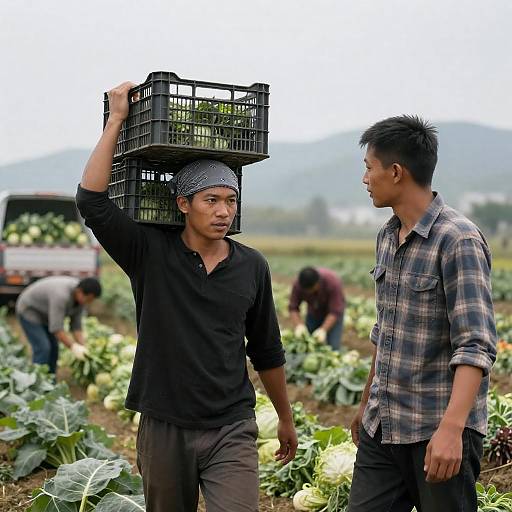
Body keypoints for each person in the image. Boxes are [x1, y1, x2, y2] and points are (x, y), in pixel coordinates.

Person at [75, 81, 298, 512]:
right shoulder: (149, 253)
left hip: (231, 425)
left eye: (230, 201)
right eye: (210, 200)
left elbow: (267, 349)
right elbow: (92, 202)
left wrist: (285, 418)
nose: (222, 211)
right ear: (182, 204)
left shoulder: (252, 266)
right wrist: (117, 118)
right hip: (165, 425)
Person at [347, 115, 497, 512]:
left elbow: (475, 345)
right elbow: (386, 331)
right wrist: (366, 404)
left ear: (396, 172)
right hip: (385, 424)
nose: (365, 179)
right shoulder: (387, 235)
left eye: (369, 168)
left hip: (437, 430)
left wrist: (452, 431)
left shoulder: (457, 239)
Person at [15, 276, 101, 374]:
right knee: (43, 347)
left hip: (45, 314)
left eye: (91, 300)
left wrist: (83, 346)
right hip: (29, 310)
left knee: (54, 348)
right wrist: (74, 347)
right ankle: (36, 382)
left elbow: (76, 327)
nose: (88, 303)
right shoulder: (61, 296)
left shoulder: (81, 300)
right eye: (88, 299)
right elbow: (56, 329)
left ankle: (50, 382)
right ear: (79, 291)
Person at [288, 266, 345, 350]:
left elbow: (335, 311)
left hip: (333, 314)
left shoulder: (332, 283)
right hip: (313, 312)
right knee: (307, 344)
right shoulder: (298, 285)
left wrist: (323, 330)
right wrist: (299, 325)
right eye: (306, 290)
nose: (308, 292)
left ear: (318, 283)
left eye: (311, 289)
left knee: (333, 346)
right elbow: (293, 307)